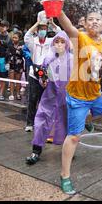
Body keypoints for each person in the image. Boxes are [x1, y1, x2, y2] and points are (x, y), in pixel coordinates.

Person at [57, 9, 102, 195]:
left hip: (95, 93)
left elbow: (101, 68)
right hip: (78, 96)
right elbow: (67, 26)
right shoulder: (81, 37)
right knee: (74, 136)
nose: (94, 22)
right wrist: (59, 11)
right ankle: (65, 176)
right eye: (90, 19)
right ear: (85, 24)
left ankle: (87, 121)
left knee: (100, 114)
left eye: (98, 20)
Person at [25, 31, 73, 165]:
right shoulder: (48, 58)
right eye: (56, 42)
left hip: (66, 98)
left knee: (68, 125)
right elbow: (42, 74)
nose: (59, 44)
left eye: (62, 42)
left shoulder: (72, 59)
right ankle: (36, 151)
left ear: (67, 43)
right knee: (41, 122)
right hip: (49, 97)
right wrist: (43, 80)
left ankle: (69, 151)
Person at [24, 11, 62, 132]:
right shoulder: (32, 42)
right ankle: (30, 123)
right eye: (41, 28)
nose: (42, 30)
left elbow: (61, 35)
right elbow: (27, 36)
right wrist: (37, 23)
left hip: (48, 75)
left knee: (46, 101)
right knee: (32, 99)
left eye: (45, 28)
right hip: (34, 74)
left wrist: (52, 23)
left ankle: (45, 123)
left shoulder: (51, 42)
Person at [7, 32, 24, 101]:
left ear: (19, 39)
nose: (14, 39)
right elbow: (7, 54)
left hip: (19, 64)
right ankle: (11, 94)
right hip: (11, 64)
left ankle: (18, 94)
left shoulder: (22, 46)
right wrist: (7, 62)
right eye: (13, 37)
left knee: (18, 80)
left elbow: (23, 54)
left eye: (16, 38)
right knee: (11, 80)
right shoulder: (10, 45)